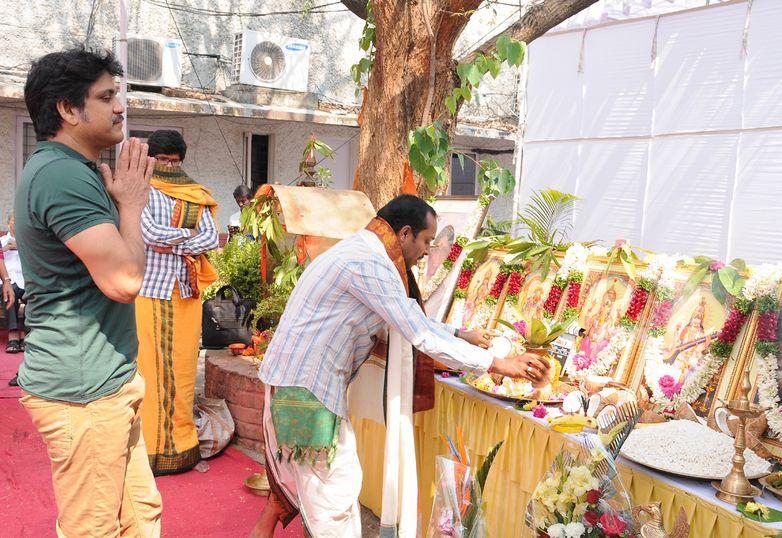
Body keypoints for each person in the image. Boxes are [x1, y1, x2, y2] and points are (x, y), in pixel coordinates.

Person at [250, 195, 550, 537]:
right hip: (307, 391)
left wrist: (459, 333)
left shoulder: (362, 251)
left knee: (310, 485)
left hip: (297, 383)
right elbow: (417, 330)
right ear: (405, 233)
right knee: (333, 494)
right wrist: (497, 363)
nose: (426, 251)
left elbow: (407, 317)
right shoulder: (370, 264)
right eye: (425, 241)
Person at [15, 48, 161, 536]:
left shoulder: (74, 170)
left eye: (115, 94)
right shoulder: (61, 175)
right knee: (94, 529)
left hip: (108, 383)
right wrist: (134, 206)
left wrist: (122, 203)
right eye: (105, 97)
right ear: (67, 109)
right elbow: (124, 281)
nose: (119, 106)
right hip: (84, 394)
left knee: (140, 517)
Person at [136, 129, 219, 475]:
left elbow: (213, 238)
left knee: (184, 371)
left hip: (186, 292)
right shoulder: (140, 188)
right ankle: (149, 450)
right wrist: (190, 237)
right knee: (151, 371)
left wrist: (177, 241)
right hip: (150, 292)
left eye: (175, 160)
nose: (169, 165)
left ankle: (183, 446)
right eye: (163, 159)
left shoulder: (196, 194)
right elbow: (148, 234)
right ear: (151, 158)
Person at [3, 212, 27, 353]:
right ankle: (13, 335)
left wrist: (20, 246)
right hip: (7, 282)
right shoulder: (1, 242)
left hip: (26, 282)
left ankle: (24, 333)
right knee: (8, 292)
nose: (16, 223)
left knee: (34, 294)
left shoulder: (29, 242)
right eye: (13, 220)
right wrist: (4, 249)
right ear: (8, 223)